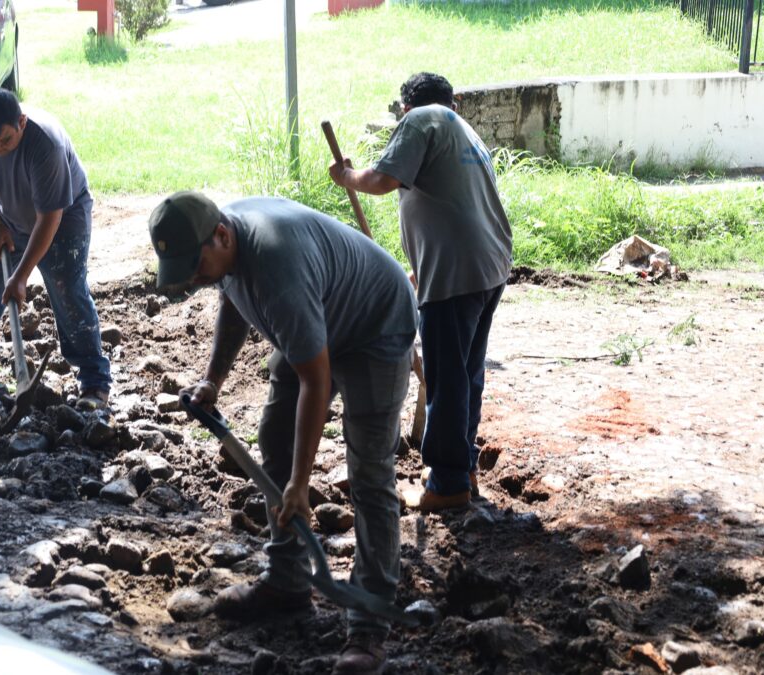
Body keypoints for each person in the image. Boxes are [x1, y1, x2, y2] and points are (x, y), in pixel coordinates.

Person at [149, 192, 417, 675]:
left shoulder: (277, 270)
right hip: (319, 317)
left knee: (370, 474)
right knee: (274, 435)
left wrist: (300, 483)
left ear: (222, 236)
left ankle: (369, 624)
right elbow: (233, 300)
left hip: (375, 326)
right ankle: (287, 581)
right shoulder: (222, 244)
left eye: (196, 267)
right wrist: (213, 380)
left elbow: (316, 380)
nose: (193, 279)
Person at [329, 72, 513, 512]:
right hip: (487, 266)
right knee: (466, 373)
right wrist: (420, 270)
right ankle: (462, 467)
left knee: (447, 378)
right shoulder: (463, 130)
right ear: (454, 102)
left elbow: (383, 180)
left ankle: (447, 485)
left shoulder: (422, 119)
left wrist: (347, 176)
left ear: (405, 109)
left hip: (457, 274)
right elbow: (453, 204)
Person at [0, 88, 111, 407]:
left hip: (63, 217)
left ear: (21, 122)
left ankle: (94, 382)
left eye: (4, 141)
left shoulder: (46, 145)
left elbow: (49, 218)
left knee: (68, 291)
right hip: (5, 216)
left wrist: (20, 277)